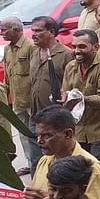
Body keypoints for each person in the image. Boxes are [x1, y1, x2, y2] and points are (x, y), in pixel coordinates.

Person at [24, 105, 100, 199]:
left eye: (46, 136)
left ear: (68, 134)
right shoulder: (43, 161)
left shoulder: (91, 167)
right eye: (38, 136)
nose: (39, 141)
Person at [61, 29, 100, 167]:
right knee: (81, 172)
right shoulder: (71, 66)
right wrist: (64, 98)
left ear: (96, 47)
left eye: (82, 47)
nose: (76, 51)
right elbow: (65, 91)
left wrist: (79, 99)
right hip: (78, 132)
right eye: (74, 47)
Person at [28, 16, 73, 170]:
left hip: (54, 118)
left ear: (52, 32)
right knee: (36, 160)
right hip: (35, 115)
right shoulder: (34, 53)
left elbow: (71, 84)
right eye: (32, 31)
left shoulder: (66, 54)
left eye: (38, 31)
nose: (33, 34)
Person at [0, 16, 38, 175]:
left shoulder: (30, 46)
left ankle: (38, 165)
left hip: (32, 101)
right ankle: (31, 164)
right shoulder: (7, 49)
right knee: (24, 135)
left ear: (16, 29)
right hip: (18, 101)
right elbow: (7, 75)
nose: (1, 33)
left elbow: (36, 73)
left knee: (35, 134)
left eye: (4, 30)